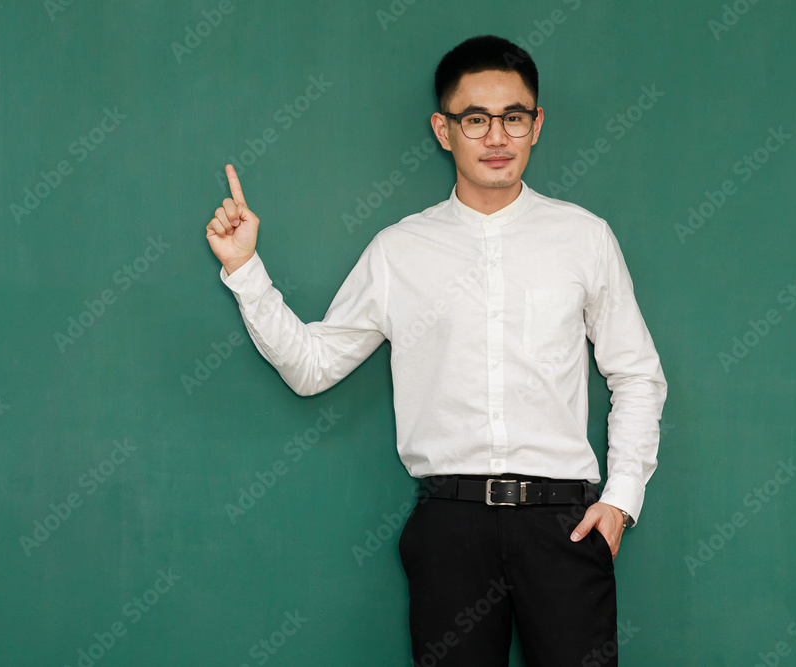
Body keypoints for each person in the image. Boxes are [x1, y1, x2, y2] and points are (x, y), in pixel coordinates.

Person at [205, 34, 667, 667]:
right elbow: (313, 367)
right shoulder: (400, 250)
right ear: (443, 130)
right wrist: (246, 269)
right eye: (475, 119)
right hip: (450, 528)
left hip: (565, 524)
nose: (496, 137)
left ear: (537, 124)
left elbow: (637, 375)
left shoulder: (583, 237)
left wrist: (619, 502)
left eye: (513, 117)